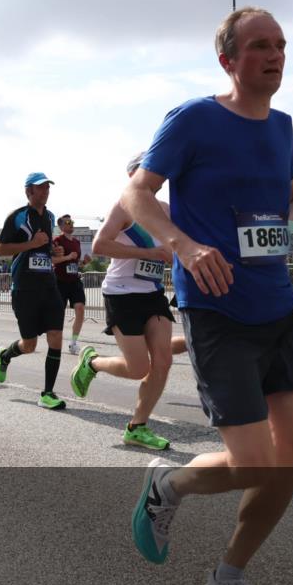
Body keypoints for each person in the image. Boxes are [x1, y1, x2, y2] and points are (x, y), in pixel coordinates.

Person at [122, 7, 293, 585]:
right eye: (261, 46)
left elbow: (287, 204)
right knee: (255, 462)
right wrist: (184, 245)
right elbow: (136, 193)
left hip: (278, 307)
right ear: (228, 60)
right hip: (217, 308)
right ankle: (168, 486)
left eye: (281, 45)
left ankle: (228, 580)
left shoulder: (283, 126)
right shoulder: (193, 118)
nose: (275, 55)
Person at [69, 153, 180, 451]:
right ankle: (92, 363)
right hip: (121, 293)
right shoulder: (123, 206)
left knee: (163, 361)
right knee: (138, 368)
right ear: (133, 175)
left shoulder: (166, 210)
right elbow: (100, 245)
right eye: (148, 170)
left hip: (152, 292)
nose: (157, 177)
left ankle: (137, 427)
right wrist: (149, 254)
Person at [0, 172, 68, 410]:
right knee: (30, 344)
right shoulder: (17, 217)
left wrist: (52, 251)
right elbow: (0, 249)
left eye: (47, 187)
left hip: (49, 285)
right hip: (24, 288)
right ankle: (5, 356)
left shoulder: (51, 216)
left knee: (56, 336)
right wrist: (31, 244)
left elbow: (45, 248)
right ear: (29, 191)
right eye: (40, 187)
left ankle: (48, 393)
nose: (45, 191)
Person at [52, 215, 92, 354]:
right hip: (60, 281)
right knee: (59, 314)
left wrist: (84, 262)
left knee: (80, 309)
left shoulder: (77, 242)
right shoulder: (57, 241)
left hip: (74, 280)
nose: (71, 224)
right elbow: (52, 260)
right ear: (61, 226)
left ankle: (73, 342)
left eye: (72, 221)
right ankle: (55, 341)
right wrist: (68, 257)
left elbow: (76, 264)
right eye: (68, 222)